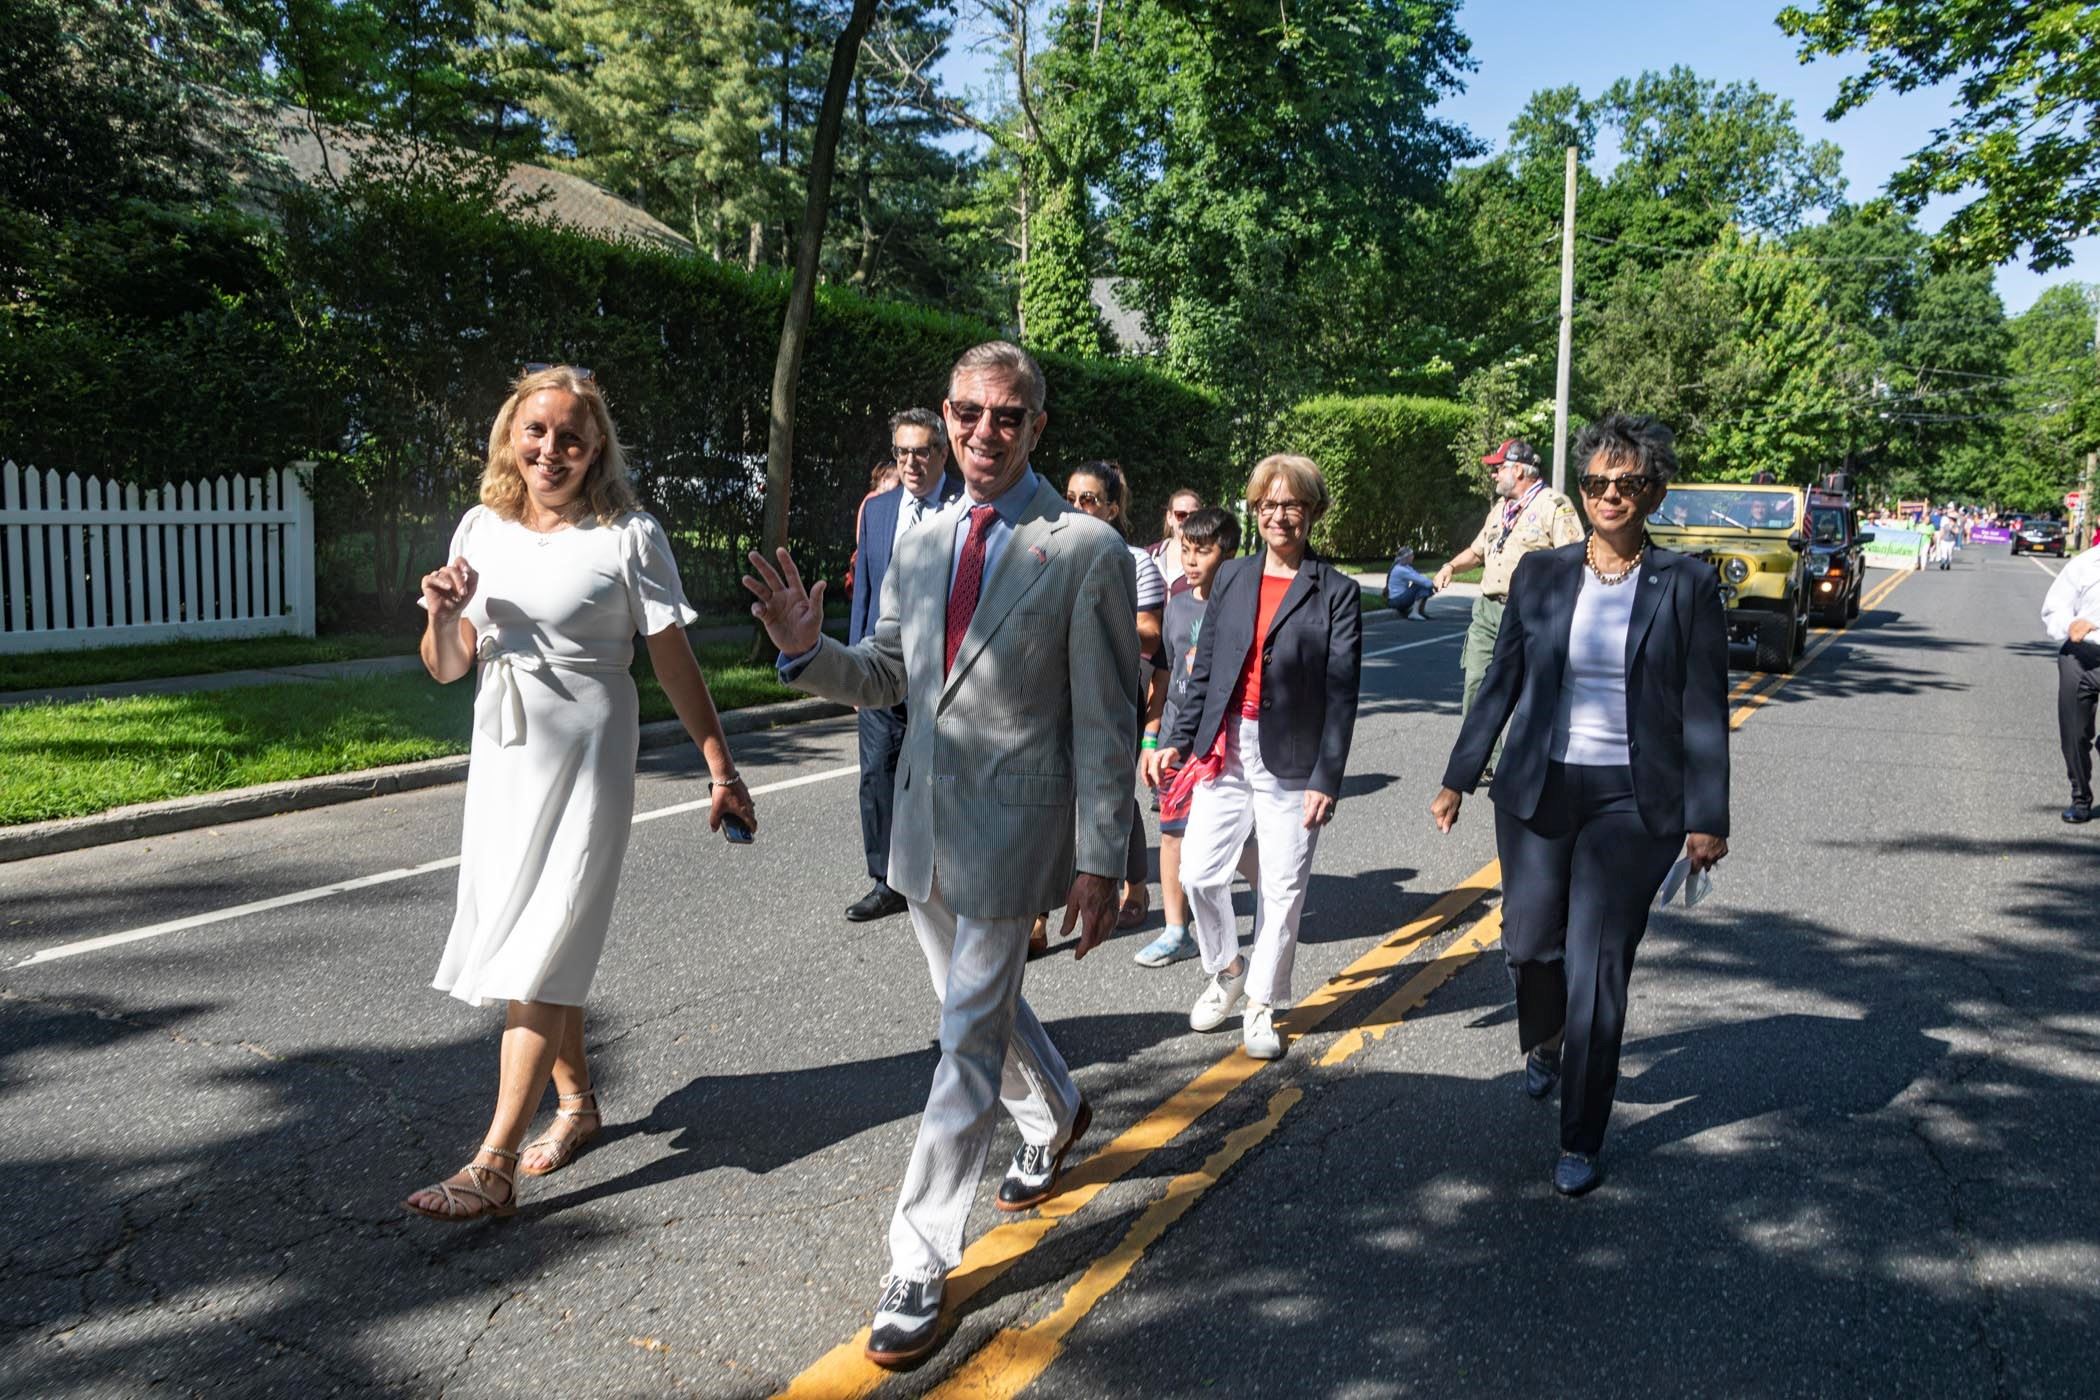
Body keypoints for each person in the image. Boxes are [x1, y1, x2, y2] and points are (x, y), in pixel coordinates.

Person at [743, 340, 1139, 1367]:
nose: (982, 432)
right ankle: (1056, 1104)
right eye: (967, 412)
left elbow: (1106, 718)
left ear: (1037, 426)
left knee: (962, 1038)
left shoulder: (1084, 547)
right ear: (945, 414)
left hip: (1016, 830)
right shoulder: (915, 539)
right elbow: (885, 673)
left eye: (1006, 416)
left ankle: (919, 1255)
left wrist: (1105, 855)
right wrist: (801, 649)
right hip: (919, 823)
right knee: (977, 1012)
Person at [403, 365, 756, 1222]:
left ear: (596, 446)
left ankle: (491, 1166)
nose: (551, 449)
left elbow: (673, 661)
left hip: (593, 749)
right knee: (519, 924)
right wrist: (444, 616)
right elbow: (447, 666)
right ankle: (579, 1106)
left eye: (570, 435)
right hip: (505, 748)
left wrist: (720, 766)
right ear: (510, 438)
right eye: (536, 432)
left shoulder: (629, 535)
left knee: (547, 936)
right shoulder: (480, 529)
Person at [1429, 412, 1730, 1197]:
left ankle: (1582, 1136)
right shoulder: (1543, 573)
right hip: (1538, 784)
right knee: (1529, 945)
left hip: (1635, 801)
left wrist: (1708, 816)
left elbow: (1703, 705)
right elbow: (1500, 681)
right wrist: (1459, 775)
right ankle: (1547, 1038)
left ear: (1652, 493)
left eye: (1626, 483)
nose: (1608, 495)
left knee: (1599, 968)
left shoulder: (1689, 585)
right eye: (1595, 482)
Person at [1145, 455, 1363, 1061]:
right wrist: (1175, 741)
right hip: (1226, 750)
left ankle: (1262, 1003)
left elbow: (1342, 693)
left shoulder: (1336, 592)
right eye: (1268, 505)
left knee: (1284, 889)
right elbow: (1207, 669)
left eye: (1292, 504)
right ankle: (1227, 968)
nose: (1279, 515)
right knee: (1198, 873)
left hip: (1293, 760)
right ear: (1256, 511)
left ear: (1313, 511)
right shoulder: (1235, 577)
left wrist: (1328, 776)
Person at [843, 409, 963, 922]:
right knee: (877, 772)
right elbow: (865, 595)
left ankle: (946, 871)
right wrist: (854, 662)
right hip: (882, 662)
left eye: (921, 451)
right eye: (901, 453)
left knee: (944, 774)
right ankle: (884, 879)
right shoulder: (878, 509)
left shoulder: (966, 508)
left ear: (942, 453)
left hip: (941, 668)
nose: (911, 463)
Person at [1133, 507, 1260, 968]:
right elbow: (1163, 677)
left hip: (1217, 744)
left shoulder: (1243, 605)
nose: (1190, 561)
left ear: (1227, 554)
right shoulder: (1177, 602)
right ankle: (1174, 930)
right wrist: (1150, 739)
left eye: (1202, 551)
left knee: (1233, 839)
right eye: (1185, 550)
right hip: (1172, 738)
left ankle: (1270, 896)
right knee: (1171, 835)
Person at [1434, 439, 1583, 778]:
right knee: (1475, 681)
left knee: (1530, 690)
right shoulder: (1500, 509)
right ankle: (1484, 759)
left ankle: (1526, 762)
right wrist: (1450, 567)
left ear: (1518, 469)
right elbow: (1477, 551)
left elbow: (1574, 559)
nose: (1493, 475)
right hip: (1487, 610)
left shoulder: (1554, 506)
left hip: (1531, 613)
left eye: (1498, 468)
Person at [1063, 460, 1167, 932]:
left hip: (1112, 688)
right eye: (1070, 499)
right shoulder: (1051, 553)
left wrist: (1090, 619)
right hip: (1059, 688)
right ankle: (1040, 912)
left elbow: (1150, 634)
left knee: (1111, 789)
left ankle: (1137, 883)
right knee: (1056, 794)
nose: (1077, 508)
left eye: (1088, 499)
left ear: (1111, 508)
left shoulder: (1134, 560)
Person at [2041, 537, 2100, 823]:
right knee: (2075, 735)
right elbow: (2055, 608)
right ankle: (2080, 798)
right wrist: (2070, 624)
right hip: (2082, 656)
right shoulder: (2084, 565)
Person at [1149, 487, 1205, 595]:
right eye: (1181, 515)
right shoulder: (1149, 556)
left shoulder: (1206, 561)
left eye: (1193, 515)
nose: (1187, 519)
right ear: (1169, 518)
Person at [1384, 543, 1435, 618]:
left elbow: (1419, 577)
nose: (1413, 557)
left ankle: (1420, 612)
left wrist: (1431, 584)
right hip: (1396, 601)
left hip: (1399, 599)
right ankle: (1414, 612)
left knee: (1424, 586)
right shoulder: (1401, 570)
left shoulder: (1406, 567)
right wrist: (1434, 584)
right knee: (1421, 585)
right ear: (1406, 557)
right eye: (1411, 555)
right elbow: (1422, 581)